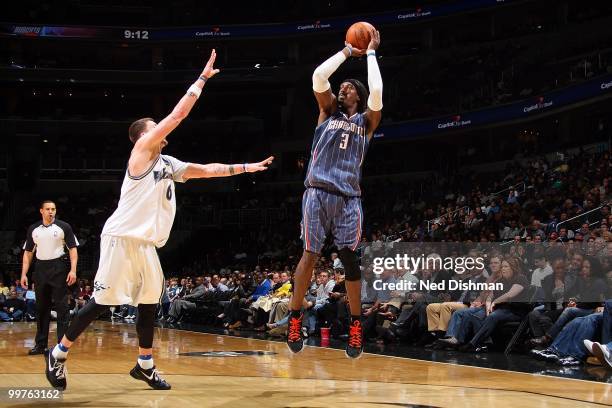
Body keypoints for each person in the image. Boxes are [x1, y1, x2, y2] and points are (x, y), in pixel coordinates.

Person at [44, 49, 274, 391]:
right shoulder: (140, 154)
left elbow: (205, 170)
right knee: (102, 303)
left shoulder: (168, 162)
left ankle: (145, 364)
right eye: (154, 129)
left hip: (146, 245)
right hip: (121, 238)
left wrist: (245, 167)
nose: (161, 131)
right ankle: (58, 355)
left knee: (150, 302)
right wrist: (201, 80)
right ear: (142, 136)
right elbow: (178, 115)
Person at [286, 28, 383, 359]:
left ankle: (356, 327)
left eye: (349, 87)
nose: (342, 87)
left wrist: (370, 53)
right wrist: (346, 52)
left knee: (349, 259)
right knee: (310, 254)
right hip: (317, 191)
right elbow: (318, 75)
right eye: (340, 86)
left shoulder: (367, 122)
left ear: (358, 95)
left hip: (348, 198)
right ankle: (295, 318)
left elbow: (378, 93)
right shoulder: (328, 112)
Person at [21, 200, 78, 355]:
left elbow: (73, 250)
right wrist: (23, 273)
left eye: (53, 209)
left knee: (62, 308)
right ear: (41, 211)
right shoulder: (33, 229)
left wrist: (72, 270)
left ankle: (62, 346)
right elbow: (28, 253)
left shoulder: (64, 227)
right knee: (41, 308)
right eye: (47, 209)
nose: (51, 211)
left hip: (58, 268)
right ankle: (40, 345)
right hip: (40, 269)